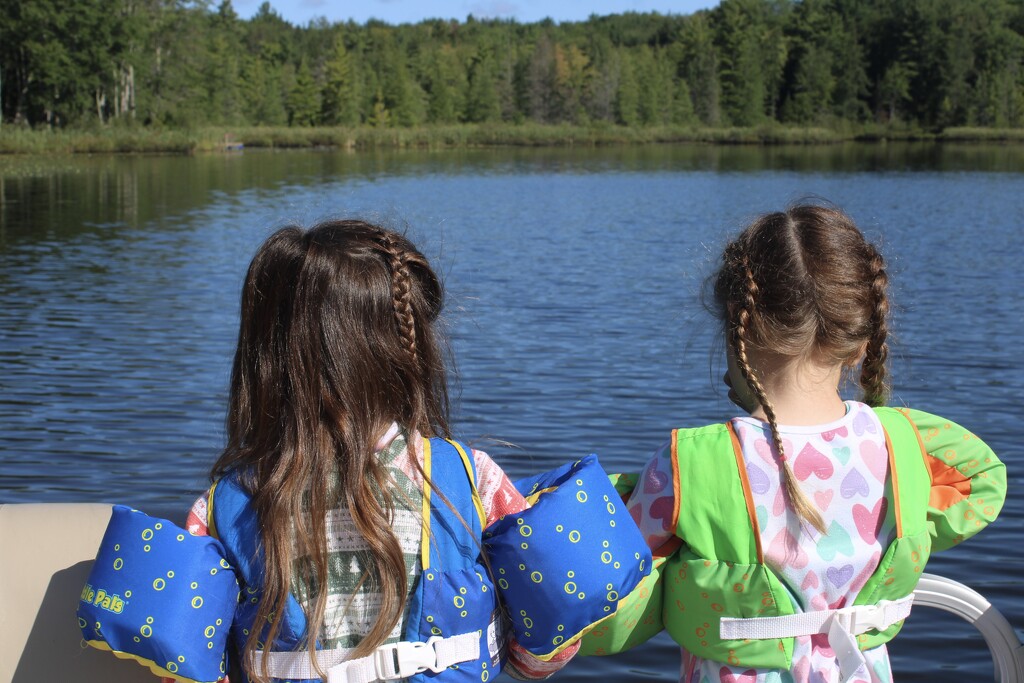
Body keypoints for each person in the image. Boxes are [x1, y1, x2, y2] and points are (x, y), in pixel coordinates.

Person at [80, 219, 651, 683]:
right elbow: (539, 658)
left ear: (269, 354)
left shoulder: (225, 503)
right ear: (409, 351)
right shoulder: (471, 479)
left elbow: (190, 667)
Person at [605, 204, 1006, 683]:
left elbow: (613, 586)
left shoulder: (688, 466)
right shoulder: (904, 446)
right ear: (861, 341)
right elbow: (980, 481)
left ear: (737, 330)